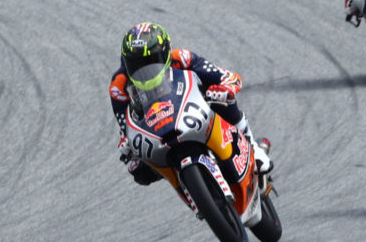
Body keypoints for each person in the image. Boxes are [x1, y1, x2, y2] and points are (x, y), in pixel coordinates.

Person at [110, 22, 273, 185]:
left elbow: (226, 77)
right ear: (126, 63)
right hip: (156, 130)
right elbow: (126, 125)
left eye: (152, 61)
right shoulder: (119, 86)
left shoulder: (182, 58)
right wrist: (127, 142)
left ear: (166, 53)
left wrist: (226, 88)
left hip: (195, 112)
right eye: (137, 65)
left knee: (224, 100)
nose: (146, 71)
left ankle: (253, 148)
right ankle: (193, 194)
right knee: (138, 171)